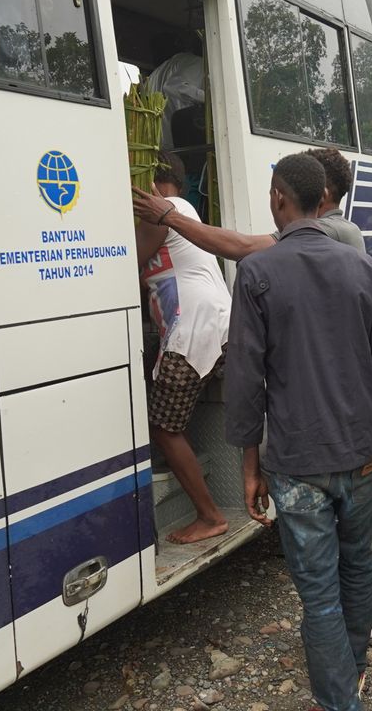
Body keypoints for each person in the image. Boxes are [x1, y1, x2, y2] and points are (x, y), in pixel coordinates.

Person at [225, 153, 372, 711]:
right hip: (359, 455)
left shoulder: (258, 272)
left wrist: (249, 466)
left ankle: (339, 699)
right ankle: (351, 672)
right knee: (358, 566)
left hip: (297, 462)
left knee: (319, 593)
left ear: (281, 198)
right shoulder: (361, 268)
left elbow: (246, 378)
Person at [135, 152, 232, 543]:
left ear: (153, 185)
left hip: (192, 329)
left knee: (163, 427)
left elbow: (128, 262)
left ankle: (210, 516)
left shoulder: (166, 211)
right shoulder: (183, 207)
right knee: (171, 418)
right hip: (208, 323)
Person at [131, 148, 364, 258]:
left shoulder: (330, 231)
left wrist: (169, 216)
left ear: (321, 194)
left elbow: (244, 247)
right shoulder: (337, 230)